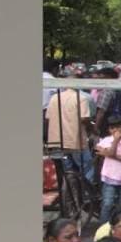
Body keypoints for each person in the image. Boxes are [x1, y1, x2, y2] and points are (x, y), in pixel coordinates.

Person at [45, 82, 95, 218]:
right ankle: (87, 192)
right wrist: (92, 128)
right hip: (75, 142)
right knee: (88, 167)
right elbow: (85, 118)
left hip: (56, 142)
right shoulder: (81, 98)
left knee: (66, 172)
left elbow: (48, 117)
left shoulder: (54, 98)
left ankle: (71, 196)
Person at [95, 116, 121, 224]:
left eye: (118, 127)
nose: (115, 130)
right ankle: (103, 226)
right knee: (107, 203)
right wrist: (115, 142)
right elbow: (101, 151)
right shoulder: (105, 141)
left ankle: (119, 224)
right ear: (109, 130)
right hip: (109, 177)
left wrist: (109, 154)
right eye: (112, 128)